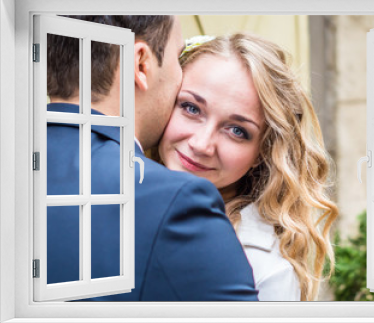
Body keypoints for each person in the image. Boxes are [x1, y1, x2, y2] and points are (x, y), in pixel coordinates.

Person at [46, 16, 258, 301]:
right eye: (177, 56)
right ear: (141, 64)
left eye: (237, 130)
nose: (201, 144)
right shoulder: (176, 204)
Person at [158, 33, 339, 301]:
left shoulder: (267, 271)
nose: (202, 144)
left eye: (236, 130)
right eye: (191, 108)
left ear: (261, 153)